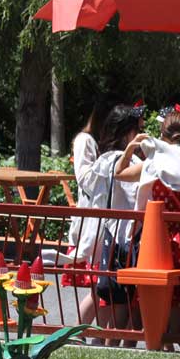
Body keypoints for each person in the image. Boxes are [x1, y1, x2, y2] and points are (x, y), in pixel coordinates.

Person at [116, 112, 180, 352]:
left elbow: (119, 173)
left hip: (160, 240)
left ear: (162, 136)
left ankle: (172, 347)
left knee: (167, 296)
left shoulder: (154, 164)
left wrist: (131, 148)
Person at [64, 94, 123, 336]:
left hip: (102, 219)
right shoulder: (85, 140)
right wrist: (107, 169)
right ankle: (76, 334)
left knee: (102, 288)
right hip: (93, 221)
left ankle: (90, 335)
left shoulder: (98, 143)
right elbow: (85, 178)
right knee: (98, 287)